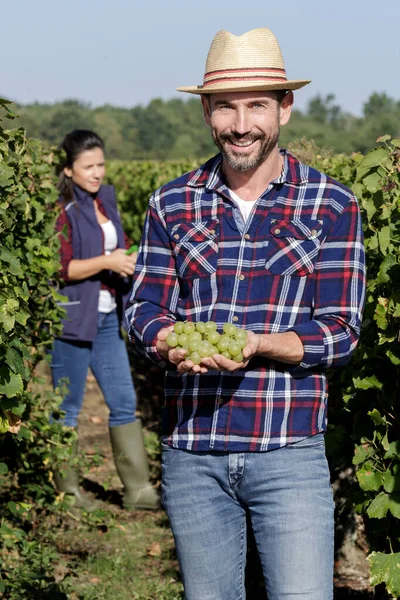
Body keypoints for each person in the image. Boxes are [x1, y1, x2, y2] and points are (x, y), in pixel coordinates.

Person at [126, 28, 366, 600]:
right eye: (226, 107)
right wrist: (166, 341)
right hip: (192, 454)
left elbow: (340, 332)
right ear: (207, 112)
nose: (241, 124)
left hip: (288, 452)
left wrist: (257, 344)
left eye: (257, 104)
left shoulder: (332, 204)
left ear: (284, 106)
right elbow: (143, 308)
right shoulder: (171, 202)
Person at [50, 129, 160, 512]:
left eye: (101, 164)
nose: (97, 173)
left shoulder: (106, 200)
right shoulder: (61, 210)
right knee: (66, 407)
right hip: (71, 319)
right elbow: (60, 267)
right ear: (68, 170)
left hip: (106, 315)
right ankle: (68, 495)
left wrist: (126, 259)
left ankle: (138, 490)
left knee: (124, 401)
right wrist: (109, 261)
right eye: (88, 166)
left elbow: (118, 245)